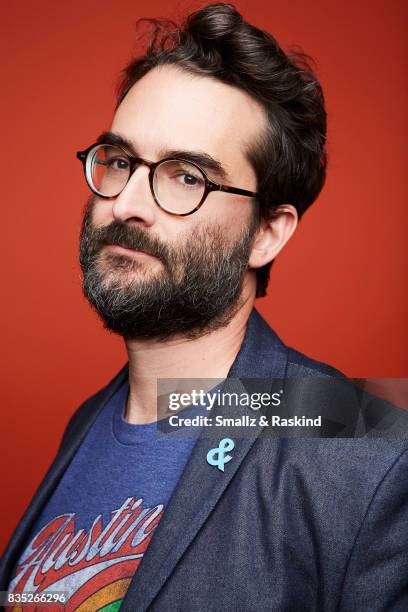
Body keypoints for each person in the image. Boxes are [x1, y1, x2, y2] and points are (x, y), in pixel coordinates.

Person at [1, 3, 407, 611]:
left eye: (186, 176)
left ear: (268, 232)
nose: (127, 203)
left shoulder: (369, 446)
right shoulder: (88, 422)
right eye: (119, 161)